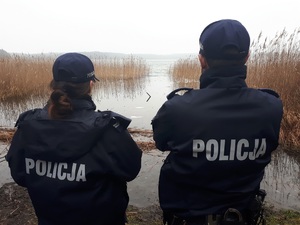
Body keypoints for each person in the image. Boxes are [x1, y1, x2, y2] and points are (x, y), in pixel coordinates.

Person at [152, 19, 283, 225]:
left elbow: (161, 143)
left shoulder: (177, 109)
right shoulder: (271, 106)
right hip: (243, 217)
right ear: (247, 57)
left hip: (189, 219)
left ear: (201, 59)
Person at [6, 52, 142, 225]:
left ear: (53, 84)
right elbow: (131, 170)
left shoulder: (28, 125)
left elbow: (20, 175)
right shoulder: (107, 129)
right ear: (90, 84)